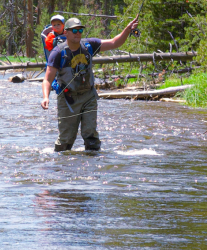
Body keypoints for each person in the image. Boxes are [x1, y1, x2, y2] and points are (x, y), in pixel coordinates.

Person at [41, 16, 139, 152]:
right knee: (66, 140)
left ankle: (93, 166)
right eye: (74, 31)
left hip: (89, 97)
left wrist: (128, 30)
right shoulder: (57, 53)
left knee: (90, 134)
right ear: (66, 33)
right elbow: (47, 79)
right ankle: (61, 167)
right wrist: (46, 97)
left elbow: (115, 42)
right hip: (68, 100)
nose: (78, 33)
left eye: (80, 30)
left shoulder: (89, 45)